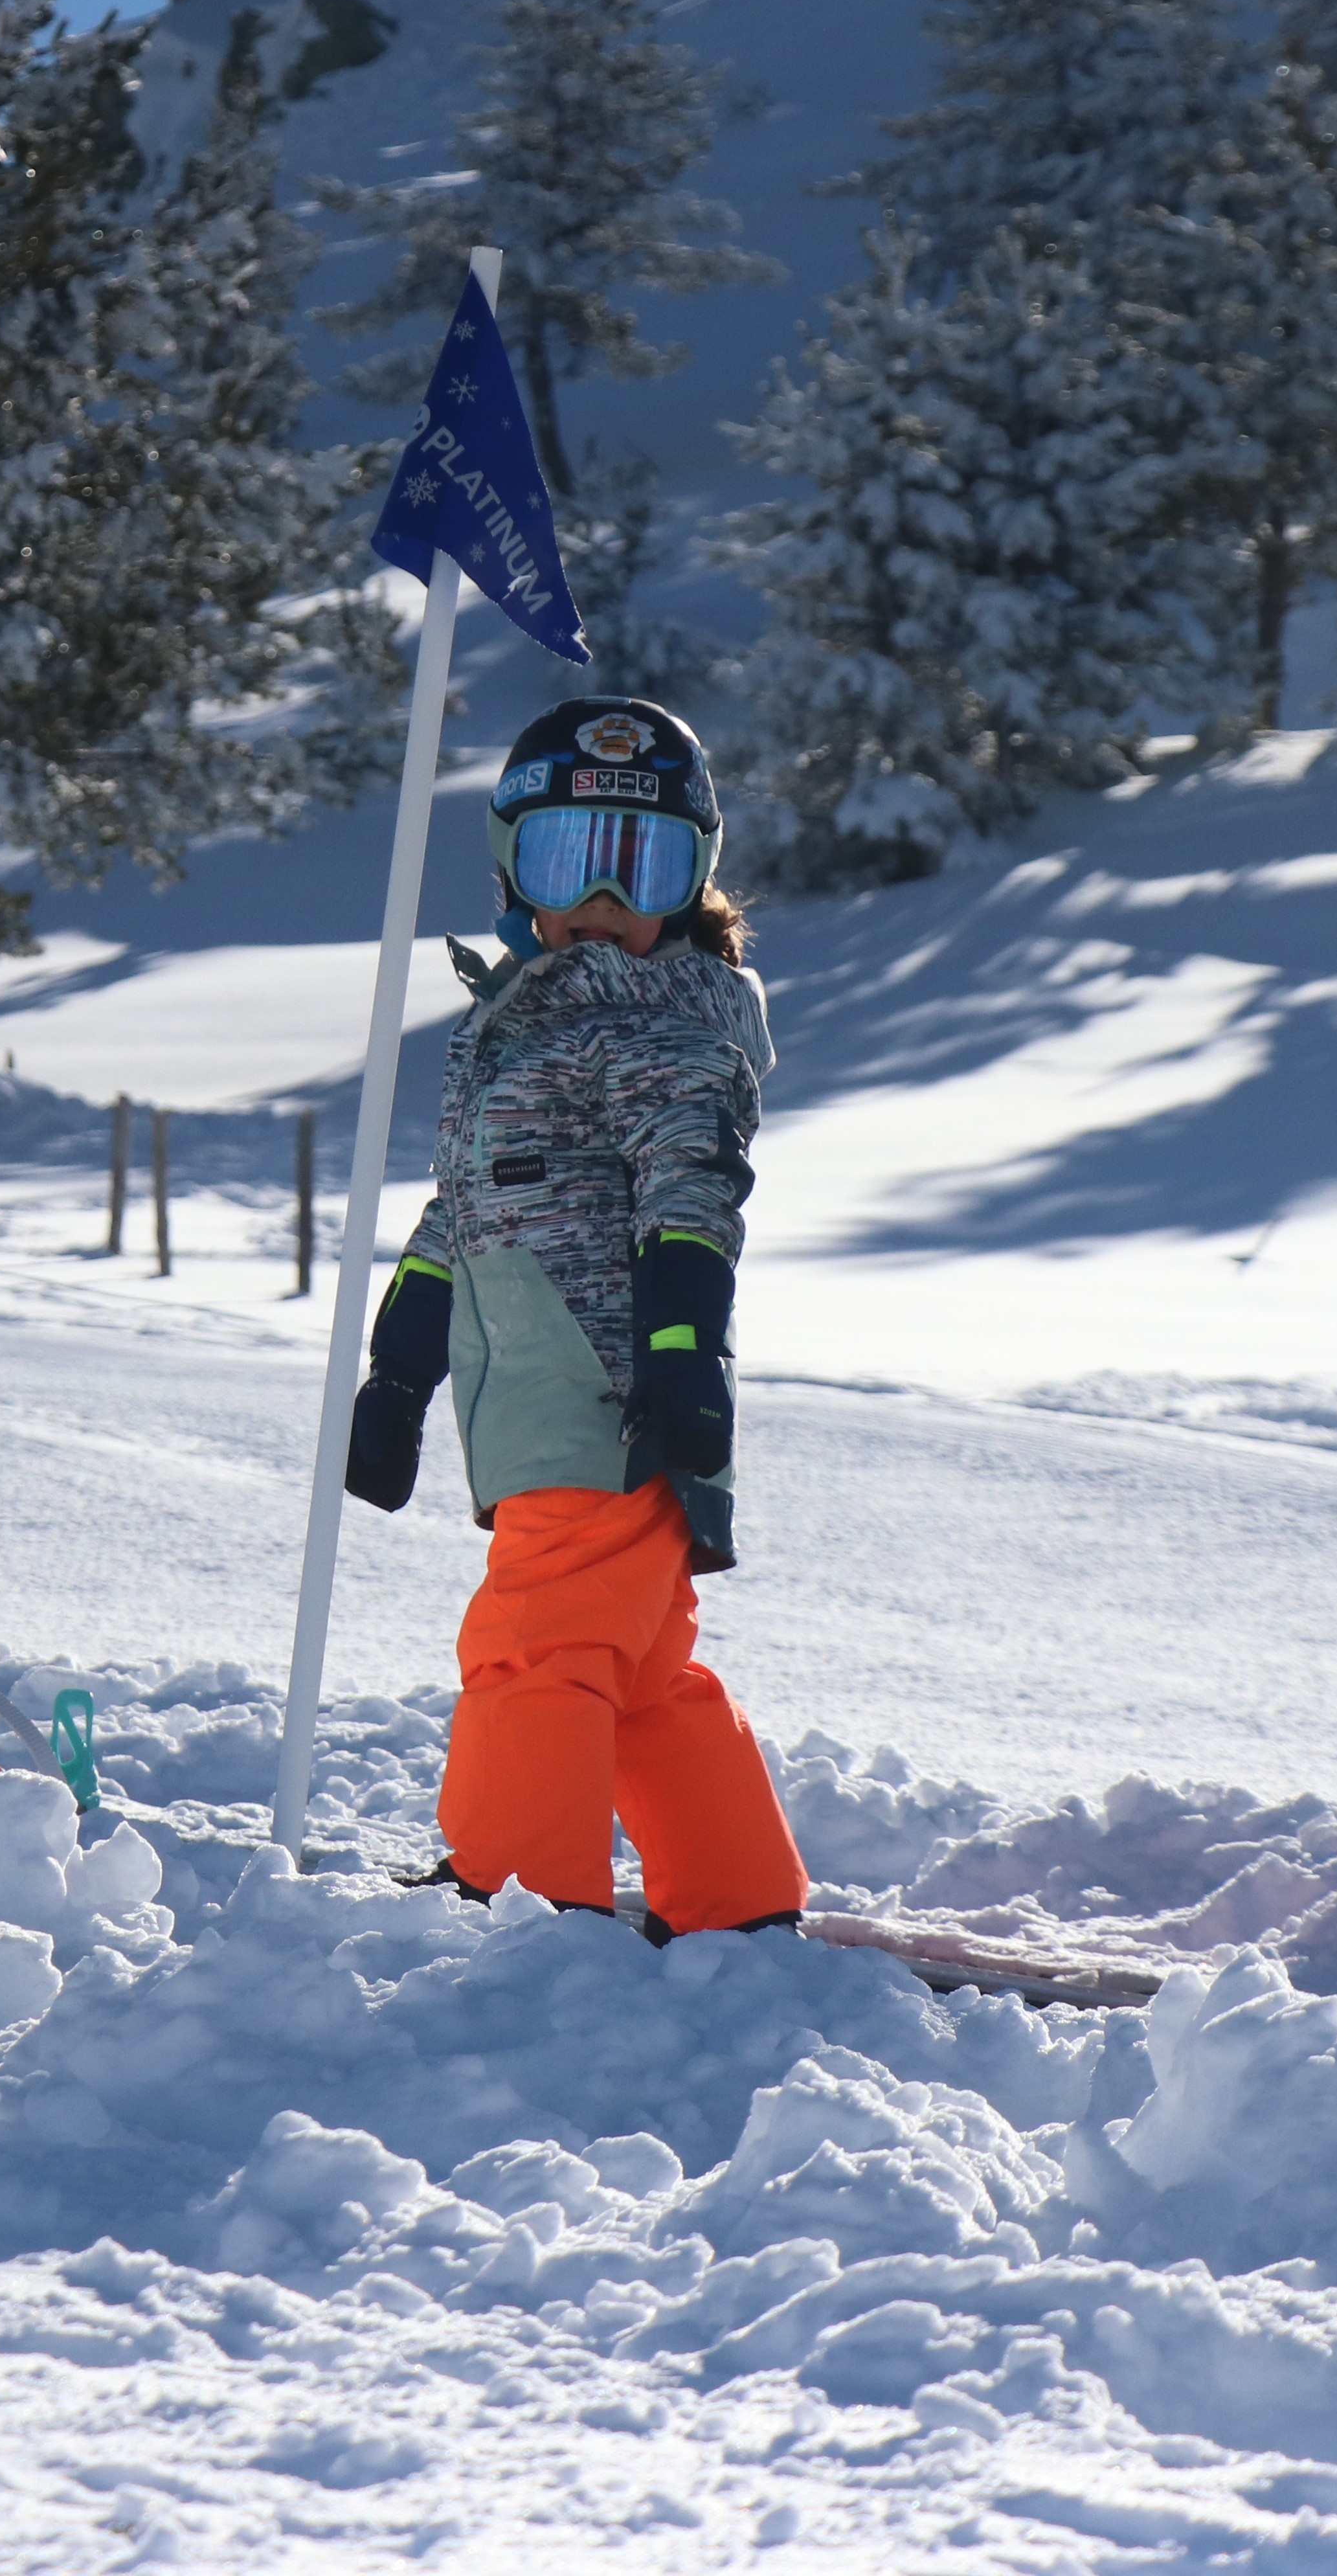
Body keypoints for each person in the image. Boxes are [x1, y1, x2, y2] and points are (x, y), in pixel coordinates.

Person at [342, 695, 810, 1939]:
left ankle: (513, 1895)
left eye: (640, 863)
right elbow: (466, 1217)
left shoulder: (662, 1034)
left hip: (606, 1400)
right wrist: (398, 1377)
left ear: (690, 880)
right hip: (555, 1403)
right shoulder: (531, 1024)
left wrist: (683, 1359)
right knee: (643, 1677)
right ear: (514, 868)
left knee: (535, 1647)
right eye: (570, 859)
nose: (602, 899)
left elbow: (691, 1202)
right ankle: (737, 1899)